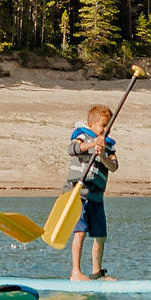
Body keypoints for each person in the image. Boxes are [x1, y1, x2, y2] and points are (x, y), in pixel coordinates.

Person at [66, 102, 118, 281]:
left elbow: (114, 166)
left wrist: (102, 155)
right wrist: (92, 144)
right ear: (91, 126)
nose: (106, 130)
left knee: (100, 235)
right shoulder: (82, 136)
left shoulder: (109, 146)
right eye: (103, 126)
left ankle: (96, 273)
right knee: (80, 231)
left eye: (108, 126)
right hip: (78, 194)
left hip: (96, 197)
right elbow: (72, 149)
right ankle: (75, 272)